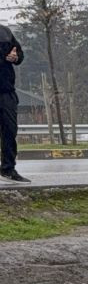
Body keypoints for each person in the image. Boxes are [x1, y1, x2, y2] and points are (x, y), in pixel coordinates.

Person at [0, 23, 27, 183]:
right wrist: (3, 58)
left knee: (10, 131)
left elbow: (19, 53)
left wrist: (16, 57)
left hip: (6, 91)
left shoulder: (5, 32)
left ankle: (8, 169)